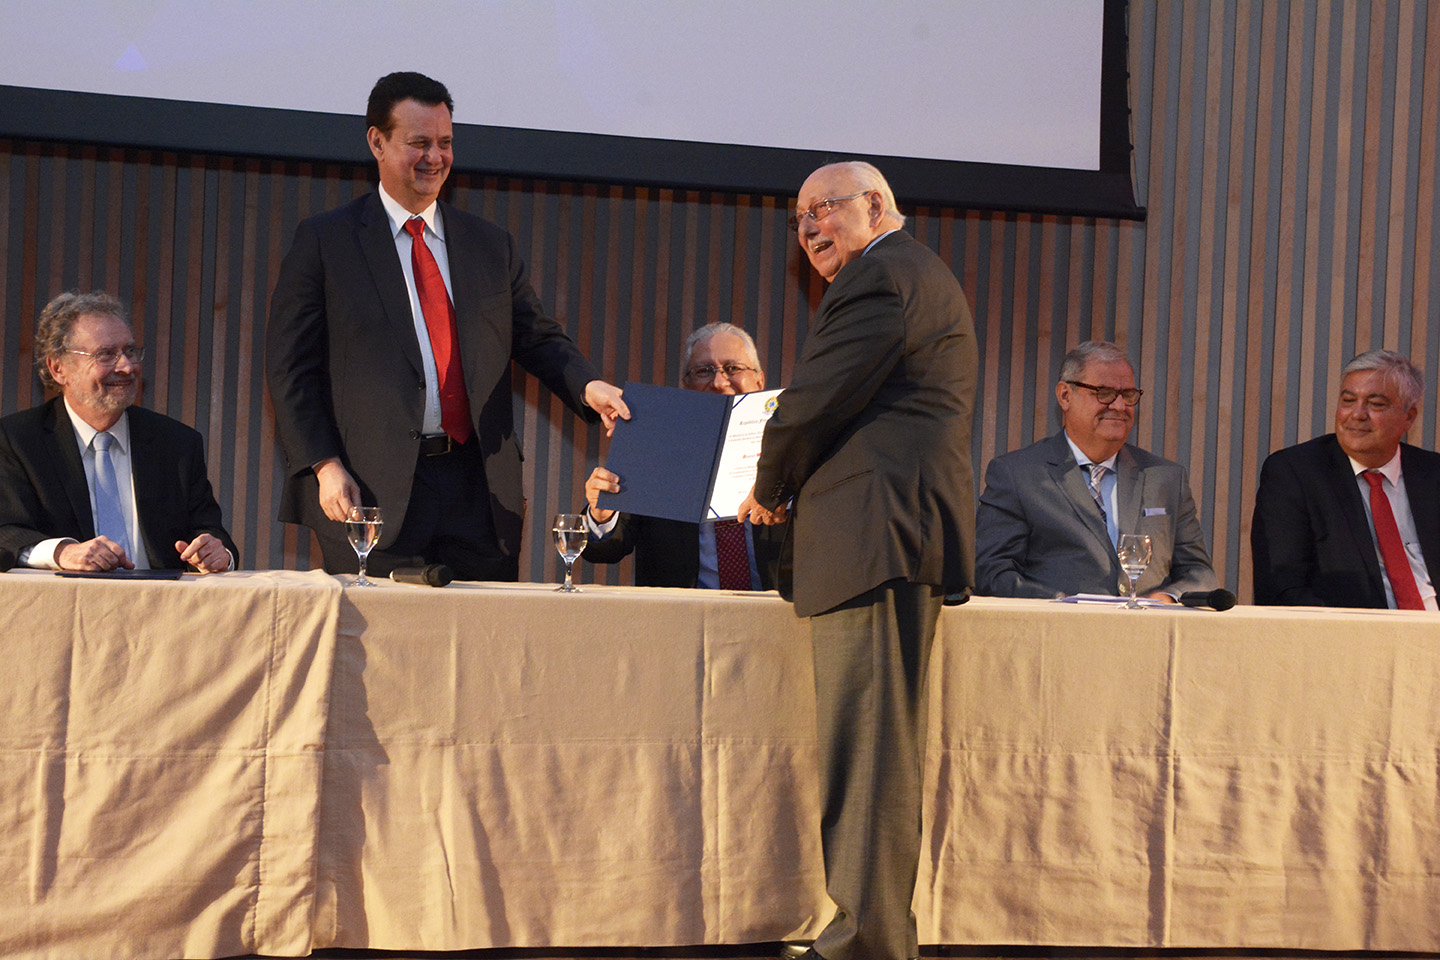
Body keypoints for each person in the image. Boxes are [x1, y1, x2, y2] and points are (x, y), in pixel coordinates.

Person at [739, 161, 976, 960]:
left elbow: (813, 401)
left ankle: (864, 944)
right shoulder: (909, 272)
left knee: (868, 754)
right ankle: (871, 935)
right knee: (871, 752)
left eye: (824, 209)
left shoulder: (881, 277)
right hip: (885, 537)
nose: (809, 229)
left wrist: (767, 488)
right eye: (799, 218)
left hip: (878, 538)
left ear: (875, 205)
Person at [265, 71, 627, 581]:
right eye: (419, 143)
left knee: (481, 631)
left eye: (445, 143)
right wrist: (325, 465)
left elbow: (537, 336)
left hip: (479, 492)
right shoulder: (327, 241)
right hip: (368, 493)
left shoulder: (489, 245)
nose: (434, 157)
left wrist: (588, 386)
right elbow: (290, 369)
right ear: (377, 142)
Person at [0, 291, 237, 572]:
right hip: (66, 598)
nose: (126, 366)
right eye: (106, 355)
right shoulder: (18, 440)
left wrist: (217, 553)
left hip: (161, 598)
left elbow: (209, 532)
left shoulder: (176, 443)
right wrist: (63, 552)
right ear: (58, 368)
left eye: (130, 351)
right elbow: (6, 531)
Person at [974, 340, 1218, 600]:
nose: (1119, 406)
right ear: (1065, 396)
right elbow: (992, 574)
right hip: (1058, 624)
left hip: (1147, 624)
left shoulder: (1166, 479)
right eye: (1104, 393)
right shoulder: (1017, 475)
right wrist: (1062, 606)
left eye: (1128, 395)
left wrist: (1168, 597)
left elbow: (1200, 574)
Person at [582, 322, 784, 589]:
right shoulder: (654, 450)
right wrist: (602, 514)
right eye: (704, 371)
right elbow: (605, 550)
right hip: (680, 611)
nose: (719, 382)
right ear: (686, 385)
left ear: (759, 381)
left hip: (776, 608)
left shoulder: (792, 447)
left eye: (733, 368)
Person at [1252, 349, 1440, 609]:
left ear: (1409, 417)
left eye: (1376, 404)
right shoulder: (1295, 473)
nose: (1357, 414)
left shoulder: (1432, 474)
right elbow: (1281, 588)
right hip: (1353, 628)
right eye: (1348, 401)